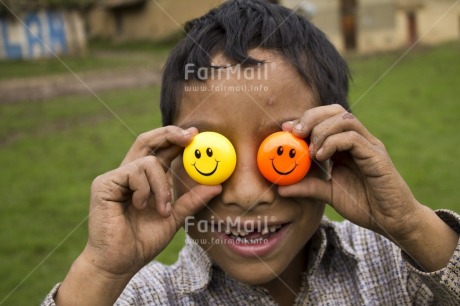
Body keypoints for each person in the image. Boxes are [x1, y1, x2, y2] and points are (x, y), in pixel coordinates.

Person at [42, 1, 460, 305]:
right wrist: (100, 272)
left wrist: (410, 226)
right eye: (209, 153)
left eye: (282, 150)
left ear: (332, 148)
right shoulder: (143, 296)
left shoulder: (399, 265)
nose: (245, 194)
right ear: (168, 161)